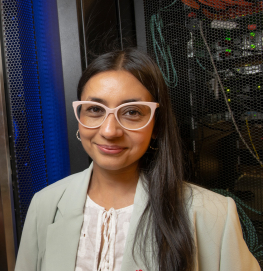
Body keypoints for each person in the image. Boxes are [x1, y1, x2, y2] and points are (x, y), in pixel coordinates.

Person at [15, 49, 260, 271]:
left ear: (155, 125)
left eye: (132, 112)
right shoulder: (45, 204)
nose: (110, 131)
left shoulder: (212, 213)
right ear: (80, 118)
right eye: (95, 110)